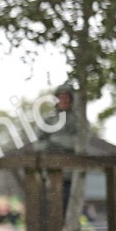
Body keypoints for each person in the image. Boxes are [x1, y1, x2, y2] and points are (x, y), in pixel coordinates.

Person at [33, 83, 80, 212]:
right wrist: (51, 145)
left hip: (71, 175)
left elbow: (78, 144)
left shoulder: (79, 121)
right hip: (49, 173)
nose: (63, 101)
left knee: (67, 208)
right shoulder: (49, 120)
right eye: (60, 98)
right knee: (47, 210)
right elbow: (37, 144)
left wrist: (57, 141)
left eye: (66, 98)